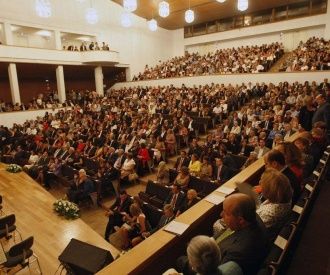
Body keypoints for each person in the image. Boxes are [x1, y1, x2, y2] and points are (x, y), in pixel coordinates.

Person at [257, 168, 293, 240]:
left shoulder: (267, 214)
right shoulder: (284, 197)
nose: (259, 182)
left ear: (269, 190)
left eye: (262, 182)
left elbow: (252, 231)